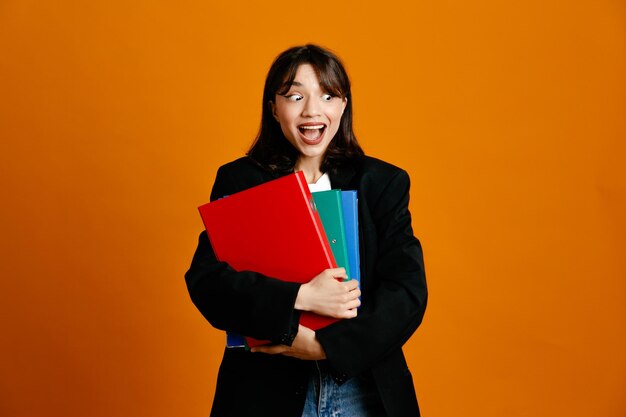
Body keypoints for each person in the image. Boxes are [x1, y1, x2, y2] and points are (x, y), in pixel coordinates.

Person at [185, 44, 428, 417]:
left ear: (343, 106)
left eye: (327, 95)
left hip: (363, 391)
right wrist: (300, 296)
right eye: (295, 96)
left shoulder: (382, 182)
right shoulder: (241, 180)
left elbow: (407, 292)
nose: (312, 111)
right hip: (264, 392)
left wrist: (326, 346)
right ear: (274, 108)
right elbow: (208, 282)